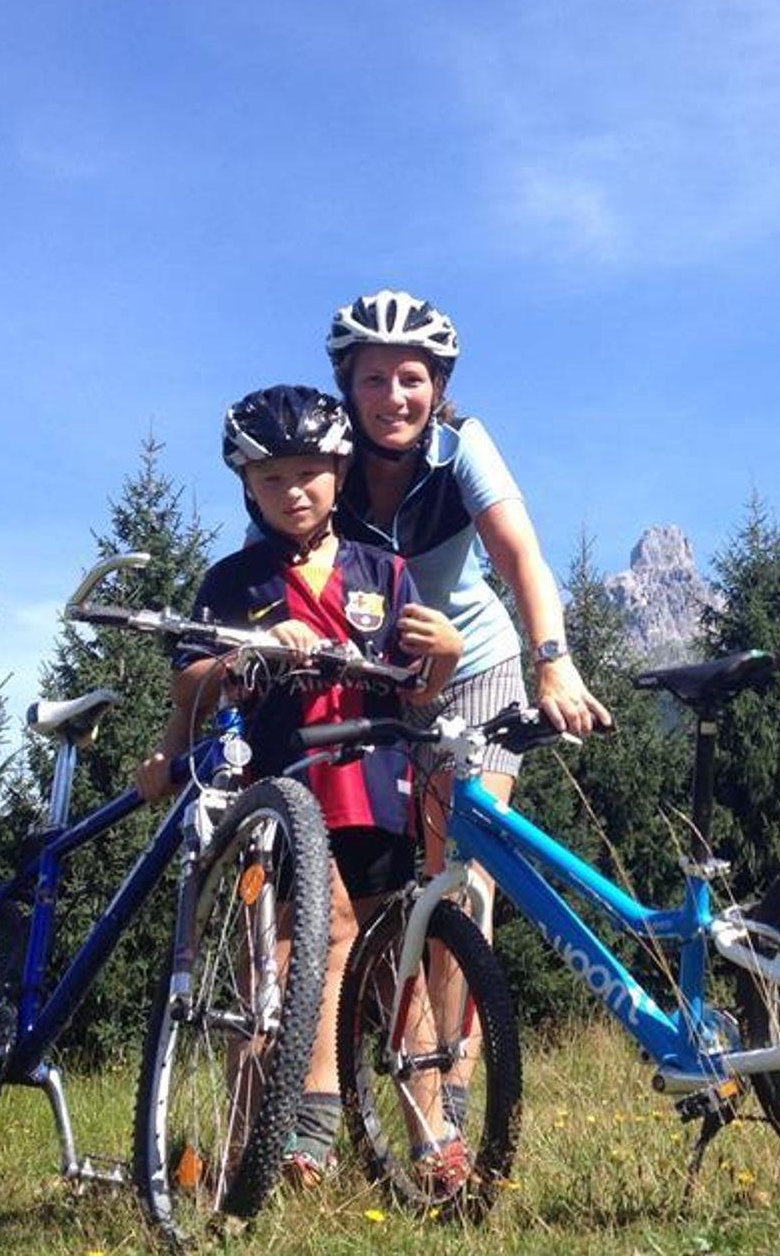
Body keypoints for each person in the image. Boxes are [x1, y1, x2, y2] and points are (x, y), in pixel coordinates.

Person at [135, 384, 465, 1189]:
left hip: (376, 790)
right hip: (277, 791)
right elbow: (189, 684)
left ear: (340, 473)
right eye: (272, 477)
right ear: (247, 485)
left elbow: (417, 690)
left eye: (310, 473)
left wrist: (448, 655)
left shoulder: (383, 572)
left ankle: (431, 1136)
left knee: (395, 957)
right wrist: (244, 656)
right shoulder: (232, 581)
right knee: (279, 955)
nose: (293, 492)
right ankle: (275, 1136)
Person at [324, 290, 612, 1128]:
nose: (393, 396)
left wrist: (554, 662)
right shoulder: (326, 458)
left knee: (458, 876)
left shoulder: (462, 448)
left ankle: (452, 1087)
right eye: (373, 378)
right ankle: (403, 1078)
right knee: (379, 897)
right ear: (347, 385)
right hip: (374, 685)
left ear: (438, 385)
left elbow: (520, 555)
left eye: (411, 378)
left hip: (476, 669)